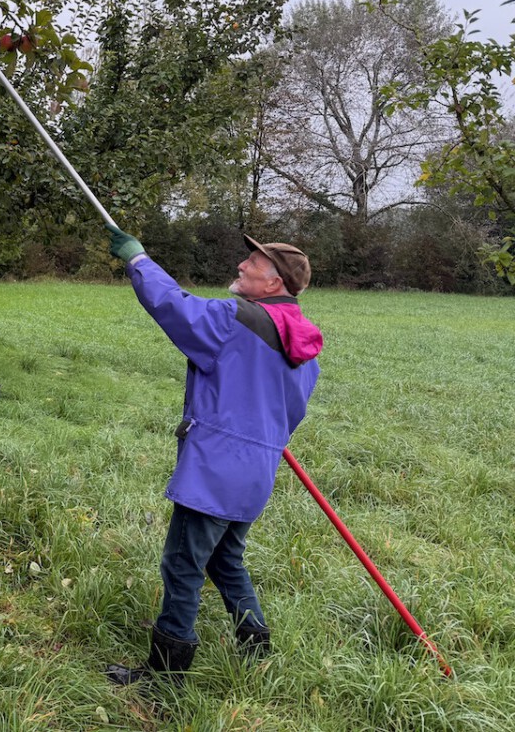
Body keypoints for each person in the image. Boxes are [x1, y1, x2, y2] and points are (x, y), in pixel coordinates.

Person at [104, 226, 323, 686]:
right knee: (225, 561)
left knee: (182, 563)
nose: (242, 266)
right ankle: (255, 644)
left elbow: (175, 308)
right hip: (258, 470)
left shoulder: (237, 320)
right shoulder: (306, 348)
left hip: (217, 469)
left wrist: (138, 260)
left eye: (254, 264)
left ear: (274, 284)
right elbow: (291, 416)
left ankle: (166, 674)